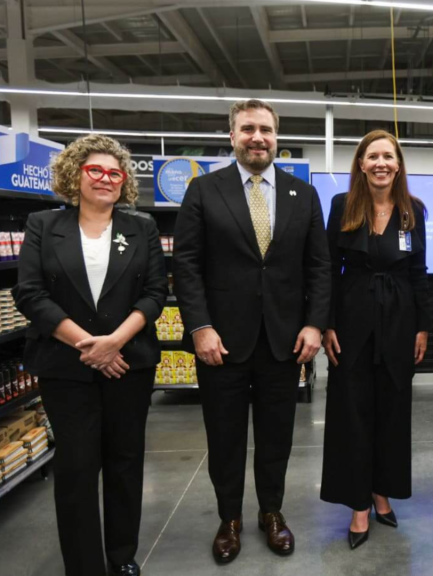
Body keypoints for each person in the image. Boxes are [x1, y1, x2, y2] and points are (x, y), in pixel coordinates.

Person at [173, 99, 331, 564]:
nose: (257, 137)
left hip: (284, 341)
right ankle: (230, 519)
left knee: (277, 435)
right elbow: (186, 266)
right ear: (232, 136)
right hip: (221, 342)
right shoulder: (204, 190)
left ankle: (271, 512)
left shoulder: (304, 195)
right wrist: (200, 327)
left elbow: (319, 267)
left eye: (265, 129)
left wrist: (315, 324)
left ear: (277, 137)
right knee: (224, 437)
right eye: (247, 129)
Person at [13, 134, 166, 576]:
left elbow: (155, 293)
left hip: (128, 365)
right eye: (95, 170)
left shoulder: (142, 227)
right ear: (75, 175)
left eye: (114, 173)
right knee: (77, 468)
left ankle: (121, 557)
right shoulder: (43, 225)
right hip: (66, 367)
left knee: (124, 462)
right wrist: (90, 345)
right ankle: (82, 566)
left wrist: (115, 341)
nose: (105, 179)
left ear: (124, 183)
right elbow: (30, 294)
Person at [319, 130, 431, 550]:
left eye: (389, 156)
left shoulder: (413, 210)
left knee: (392, 411)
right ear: (361, 164)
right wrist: (326, 322)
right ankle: (358, 505)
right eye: (373, 157)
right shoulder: (342, 206)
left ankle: (382, 491)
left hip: (400, 322)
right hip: (352, 322)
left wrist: (423, 326)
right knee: (352, 413)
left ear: (398, 165)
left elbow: (418, 271)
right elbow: (329, 268)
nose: (381, 163)